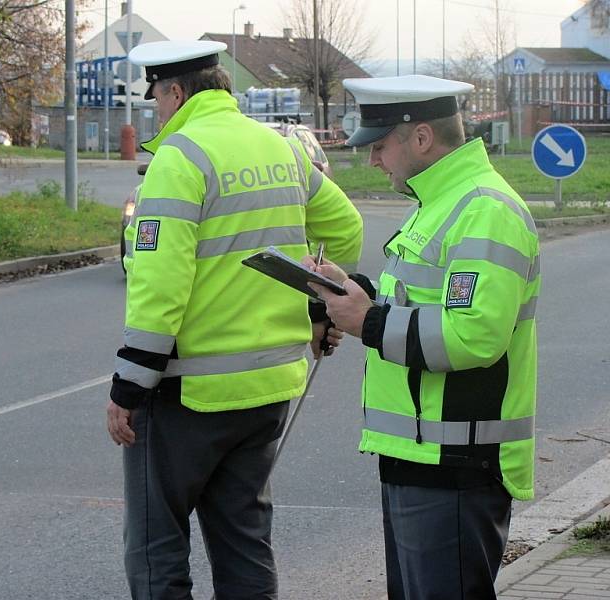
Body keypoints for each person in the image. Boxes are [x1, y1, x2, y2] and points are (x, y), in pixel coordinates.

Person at [106, 40, 363, 600]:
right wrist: (317, 306)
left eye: (155, 100)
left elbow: (159, 284)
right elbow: (345, 232)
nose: (155, 112)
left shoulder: (180, 157)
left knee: (156, 549)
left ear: (175, 92)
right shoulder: (281, 150)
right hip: (269, 387)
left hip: (186, 393)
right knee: (244, 542)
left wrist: (130, 385)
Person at [307, 74, 540, 600]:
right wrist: (351, 292)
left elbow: (475, 337)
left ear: (420, 138)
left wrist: (366, 320)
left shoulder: (484, 210)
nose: (372, 161)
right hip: (420, 456)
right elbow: (419, 305)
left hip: (455, 463)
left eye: (380, 146)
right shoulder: (439, 203)